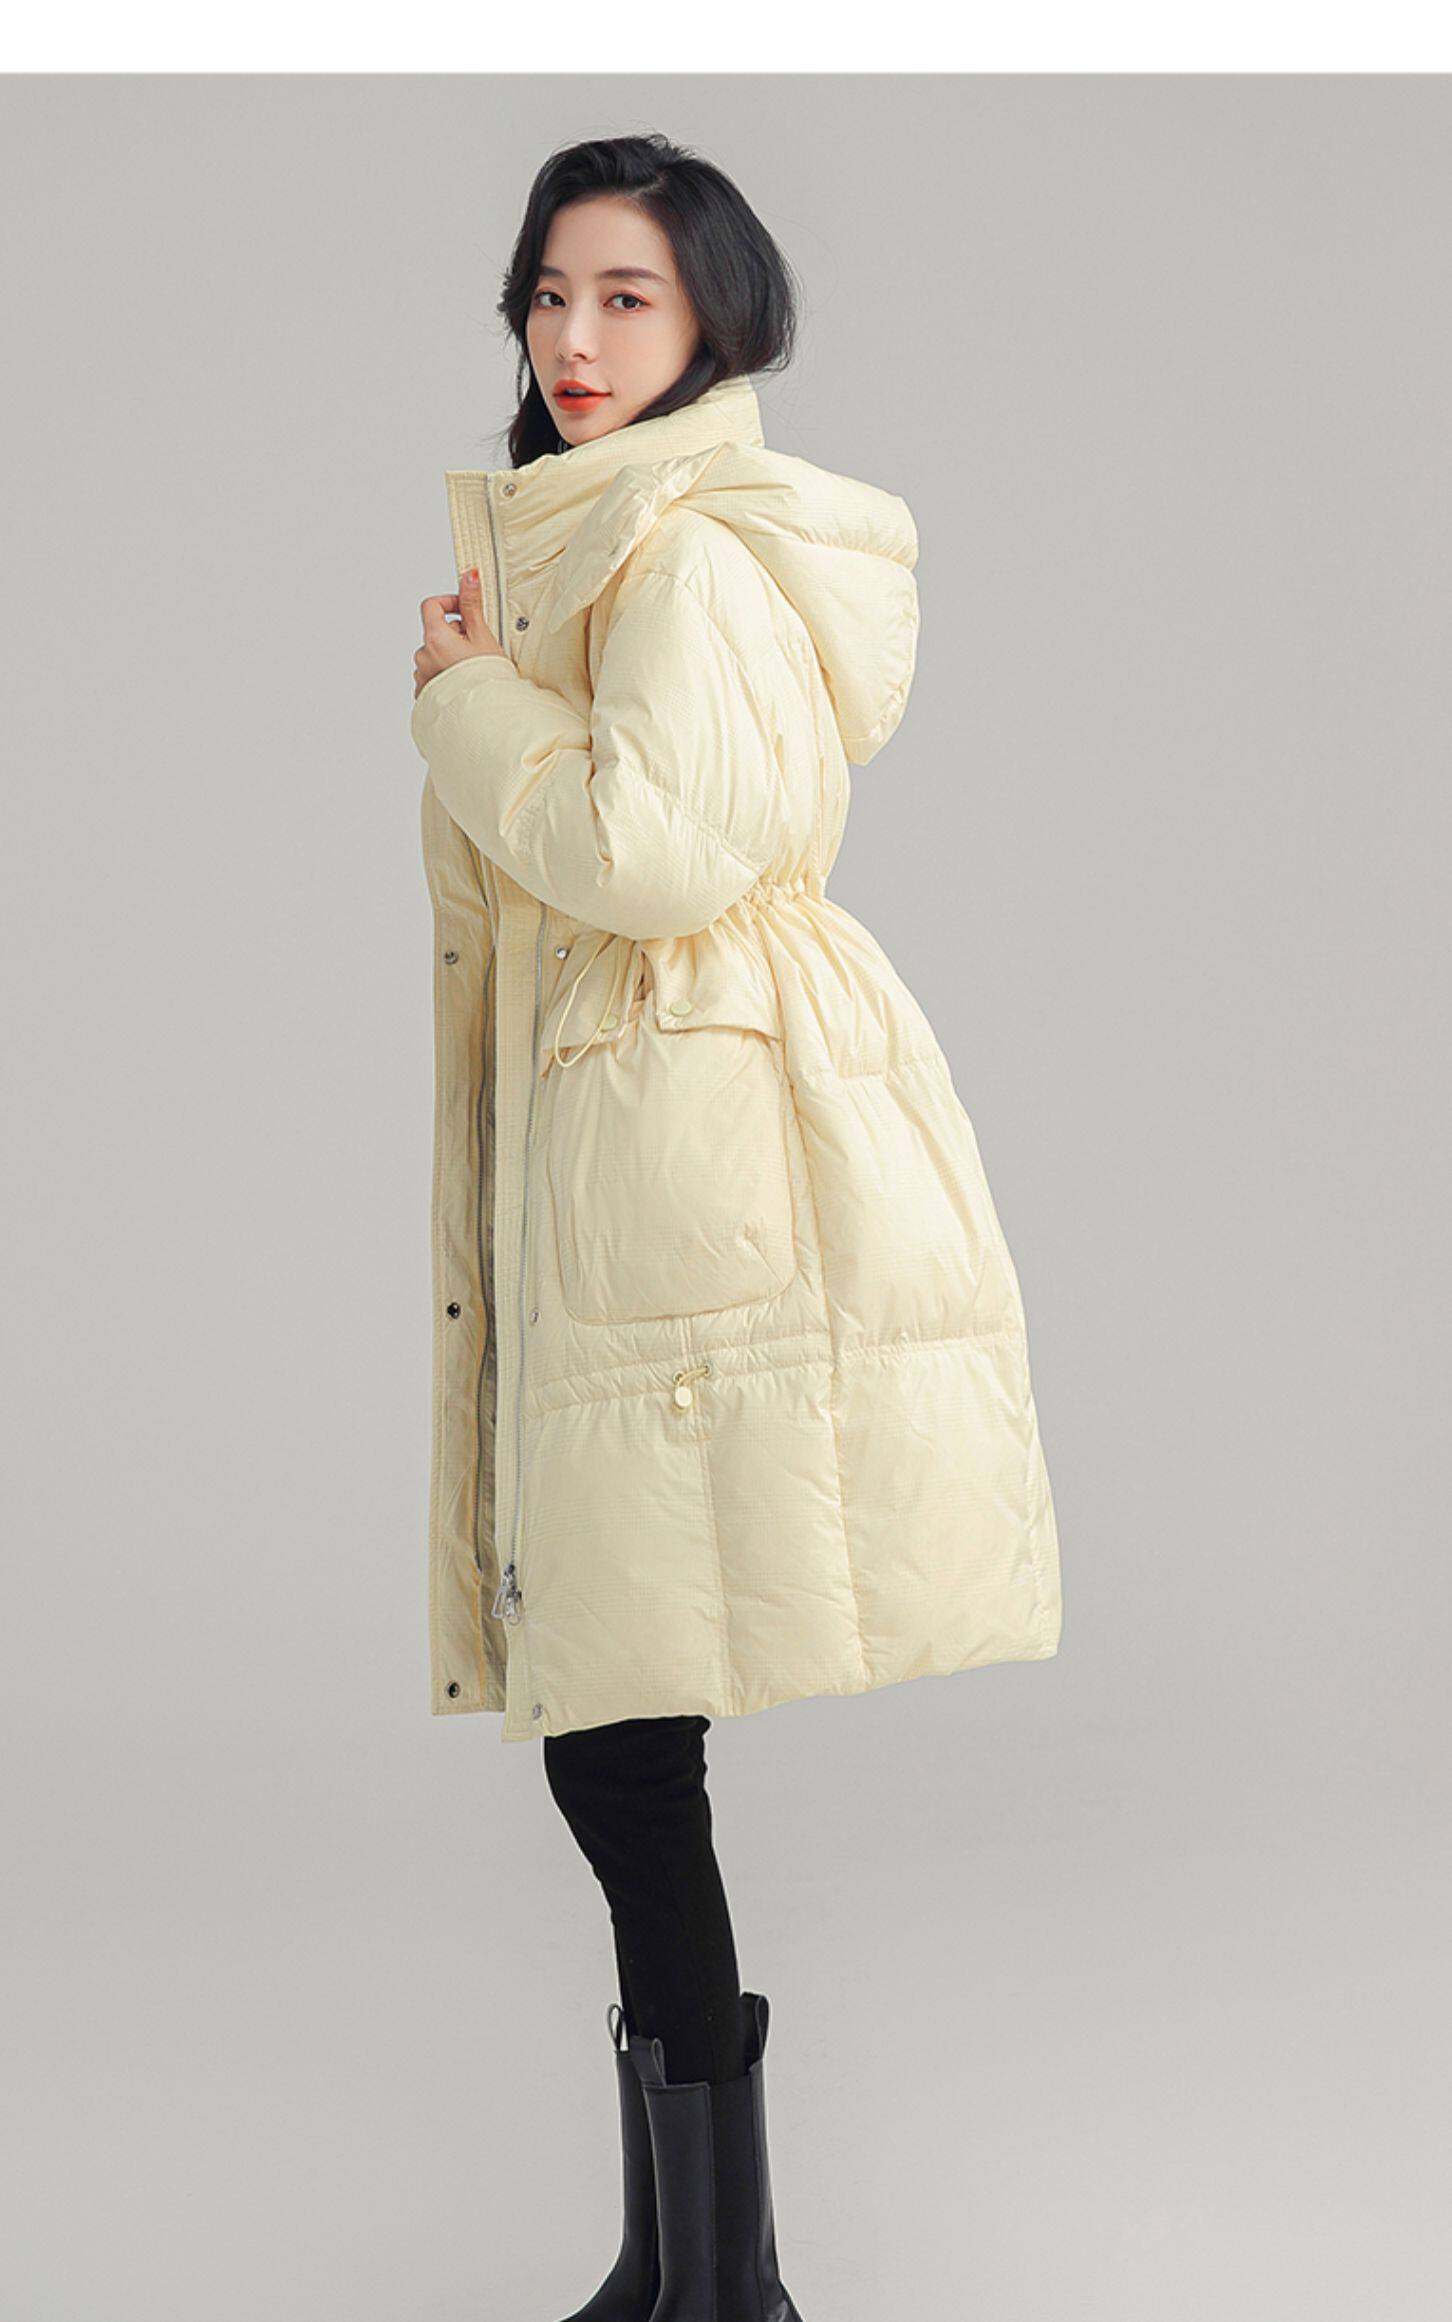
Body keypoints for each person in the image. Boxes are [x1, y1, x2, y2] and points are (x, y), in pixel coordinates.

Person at [409, 131, 1063, 2318]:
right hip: (635, 1132)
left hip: (681, 1144)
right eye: (551, 293)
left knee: (619, 1725)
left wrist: (464, 702)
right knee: (622, 1715)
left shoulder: (683, 554)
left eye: (628, 297)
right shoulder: (595, 536)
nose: (574, 337)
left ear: (716, 321)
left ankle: (715, 2282)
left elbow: (651, 851)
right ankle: (688, 2262)